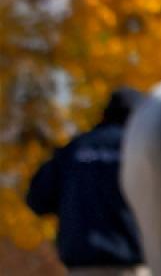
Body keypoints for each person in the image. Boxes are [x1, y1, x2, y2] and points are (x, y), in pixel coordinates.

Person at [26, 87, 147, 276]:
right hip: (133, 264)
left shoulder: (74, 149)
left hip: (83, 266)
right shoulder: (142, 150)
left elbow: (37, 200)